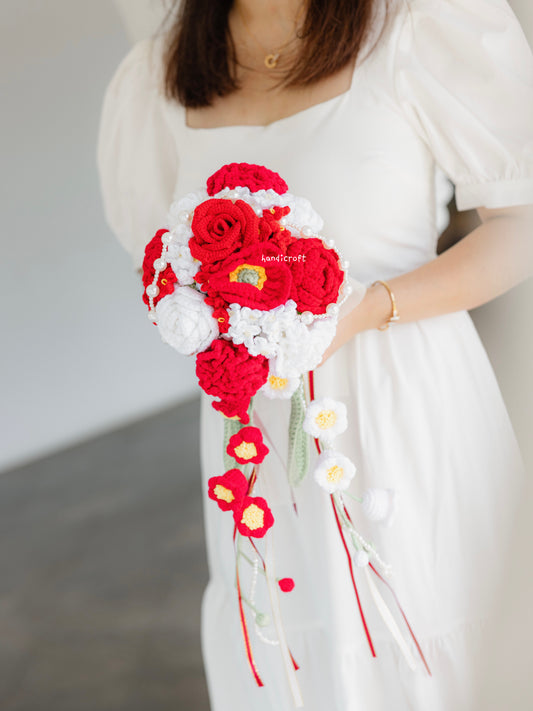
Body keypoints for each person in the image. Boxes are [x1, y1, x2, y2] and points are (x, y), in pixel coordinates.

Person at [97, 0, 533, 708]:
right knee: (300, 654)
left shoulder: (415, 23)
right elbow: (157, 259)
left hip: (407, 400)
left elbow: (522, 225)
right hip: (258, 439)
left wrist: (365, 309)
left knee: (439, 624)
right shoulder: (158, 73)